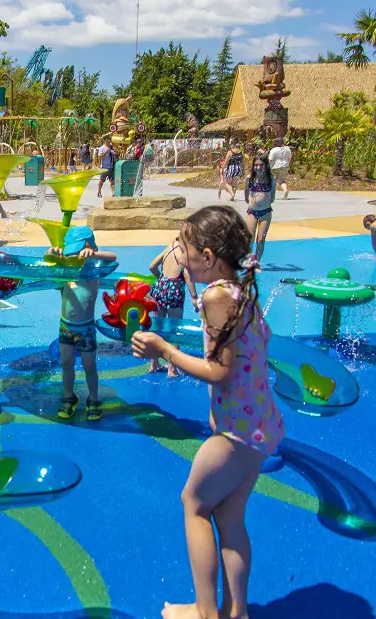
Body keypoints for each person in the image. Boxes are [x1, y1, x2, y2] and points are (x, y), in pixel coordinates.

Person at [131, 205, 284, 619]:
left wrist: (165, 350)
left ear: (209, 256)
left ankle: (204, 612)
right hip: (260, 425)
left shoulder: (218, 296)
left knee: (193, 503)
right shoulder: (239, 289)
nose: (179, 254)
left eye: (184, 246)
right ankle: (236, 612)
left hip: (237, 433)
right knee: (229, 517)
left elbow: (219, 371)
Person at [51, 227, 117, 421]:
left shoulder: (94, 271)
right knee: (66, 365)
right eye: (71, 251)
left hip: (86, 329)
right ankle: (69, 397)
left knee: (90, 367)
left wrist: (94, 254)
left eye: (78, 250)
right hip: (66, 327)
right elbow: (47, 261)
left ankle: (93, 399)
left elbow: (112, 257)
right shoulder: (65, 271)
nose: (75, 255)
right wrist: (52, 253)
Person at [148, 239, 198, 377]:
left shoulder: (170, 246)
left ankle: (154, 363)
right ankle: (172, 369)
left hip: (159, 287)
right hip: (174, 291)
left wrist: (163, 280)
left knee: (158, 327)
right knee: (175, 330)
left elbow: (152, 266)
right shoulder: (185, 251)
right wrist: (194, 297)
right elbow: (187, 275)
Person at [244, 154, 275, 261]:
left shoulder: (271, 180)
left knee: (261, 239)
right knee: (250, 239)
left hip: (266, 213)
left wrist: (263, 203)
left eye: (261, 165)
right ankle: (249, 261)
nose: (258, 167)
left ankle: (257, 261)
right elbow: (246, 194)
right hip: (252, 212)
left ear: (266, 165)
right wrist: (253, 203)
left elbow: (272, 197)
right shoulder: (250, 179)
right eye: (256, 165)